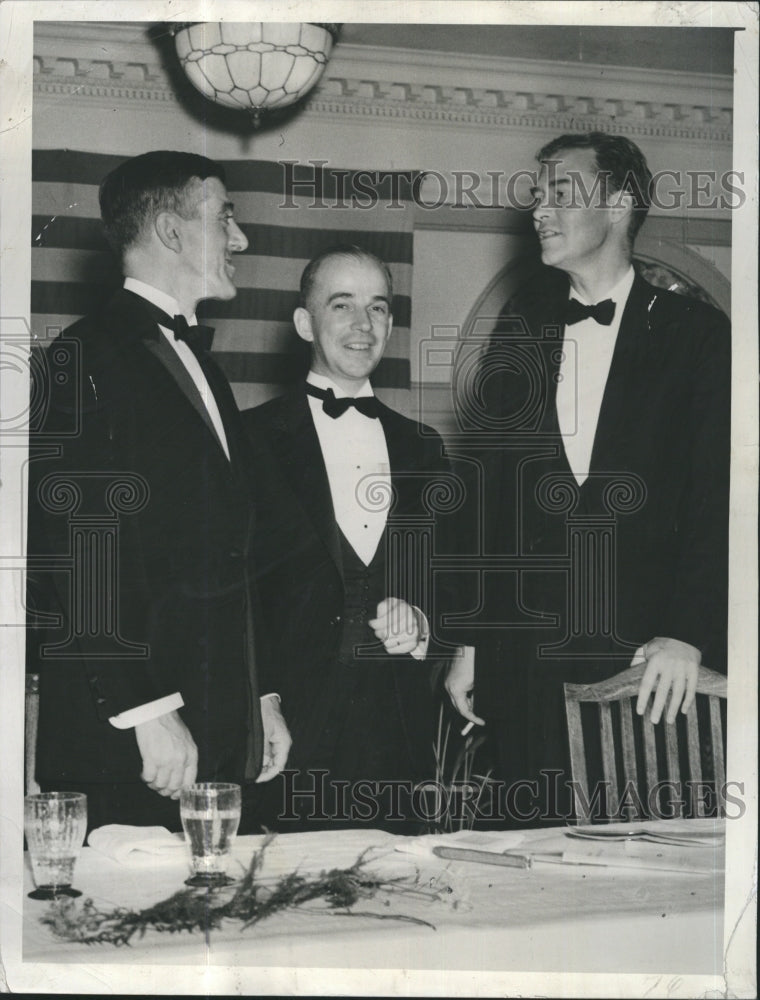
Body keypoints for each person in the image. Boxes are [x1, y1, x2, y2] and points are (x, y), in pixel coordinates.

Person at [445, 132, 730, 825]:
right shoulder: (518, 328)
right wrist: (472, 641)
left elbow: (717, 498)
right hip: (522, 661)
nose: (539, 208)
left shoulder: (697, 334)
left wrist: (689, 634)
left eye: (560, 191)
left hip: (644, 662)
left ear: (622, 201)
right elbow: (492, 505)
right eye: (537, 193)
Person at [27, 151, 291, 832]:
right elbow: (79, 549)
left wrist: (261, 696)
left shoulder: (207, 370)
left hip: (218, 732)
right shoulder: (82, 355)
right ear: (173, 233)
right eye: (225, 216)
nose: (241, 239)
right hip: (135, 744)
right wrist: (145, 710)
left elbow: (238, 551)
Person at [244, 245, 455, 831]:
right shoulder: (247, 440)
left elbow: (450, 579)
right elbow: (231, 589)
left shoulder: (424, 448)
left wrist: (422, 620)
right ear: (305, 323)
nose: (364, 326)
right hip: (284, 731)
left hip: (397, 731)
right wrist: (262, 703)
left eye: (379, 308)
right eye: (343, 306)